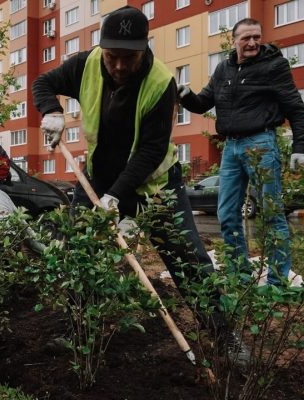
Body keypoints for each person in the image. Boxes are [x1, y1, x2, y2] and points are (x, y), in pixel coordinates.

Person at [32, 5, 247, 360]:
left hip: (156, 185)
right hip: (99, 179)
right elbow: (44, 82)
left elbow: (150, 151)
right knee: (79, 251)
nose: (118, 66)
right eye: (112, 57)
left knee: (188, 259)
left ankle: (224, 336)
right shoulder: (86, 64)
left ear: (144, 50)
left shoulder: (162, 82)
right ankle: (81, 332)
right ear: (102, 49)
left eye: (128, 58)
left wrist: (118, 196)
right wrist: (50, 110)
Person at [177, 18, 304, 285]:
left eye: (256, 37)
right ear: (234, 40)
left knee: (270, 213)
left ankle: (278, 282)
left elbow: (295, 106)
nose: (252, 42)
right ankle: (239, 274)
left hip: (261, 143)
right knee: (227, 212)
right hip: (231, 147)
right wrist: (185, 94)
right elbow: (202, 104)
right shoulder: (223, 69)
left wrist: (299, 146)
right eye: (246, 38)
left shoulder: (274, 66)